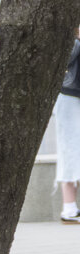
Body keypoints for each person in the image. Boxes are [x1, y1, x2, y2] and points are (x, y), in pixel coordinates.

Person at [56, 28, 80, 223]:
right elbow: (64, 60)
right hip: (70, 95)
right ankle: (69, 207)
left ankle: (71, 208)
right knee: (70, 147)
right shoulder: (70, 37)